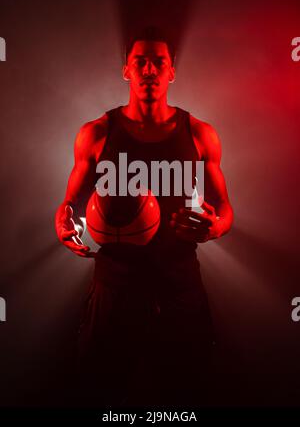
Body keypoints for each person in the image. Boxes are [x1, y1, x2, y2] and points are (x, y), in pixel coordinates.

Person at [55, 27, 233, 407]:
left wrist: (216, 226)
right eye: (140, 62)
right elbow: (69, 204)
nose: (149, 69)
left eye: (159, 63)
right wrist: (62, 224)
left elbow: (226, 209)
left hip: (179, 278)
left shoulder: (200, 133)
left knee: (189, 391)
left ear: (171, 73)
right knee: (99, 392)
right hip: (115, 281)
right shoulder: (97, 133)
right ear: (126, 71)